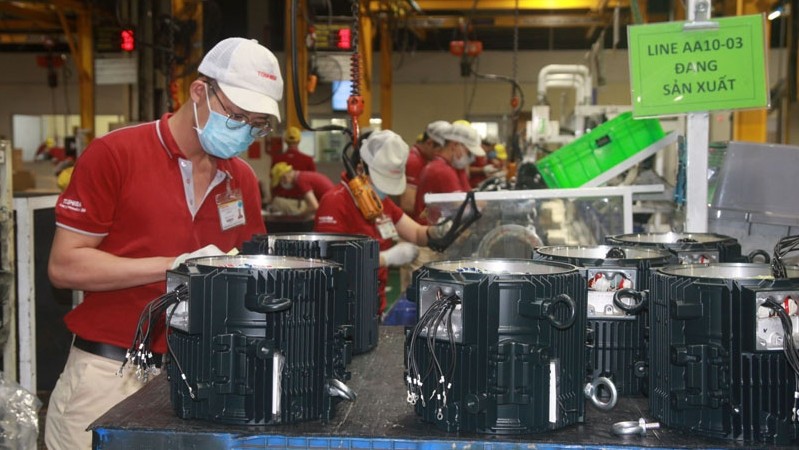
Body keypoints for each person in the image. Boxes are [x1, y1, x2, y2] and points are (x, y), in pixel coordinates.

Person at [44, 37, 280, 450]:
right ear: (199, 92)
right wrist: (176, 264)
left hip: (196, 382)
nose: (244, 130)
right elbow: (65, 267)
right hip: (109, 375)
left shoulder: (240, 180)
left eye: (256, 122)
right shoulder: (116, 155)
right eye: (237, 115)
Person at [314, 130, 452, 315]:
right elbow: (330, 261)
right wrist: (386, 258)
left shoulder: (381, 203)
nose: (384, 192)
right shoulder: (335, 202)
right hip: (341, 307)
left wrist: (439, 231)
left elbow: (417, 233)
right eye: (381, 182)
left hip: (373, 303)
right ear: (361, 169)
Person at [413, 122, 485, 224]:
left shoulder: (453, 168)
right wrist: (487, 204)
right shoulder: (441, 170)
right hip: (432, 231)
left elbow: (467, 196)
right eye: (469, 153)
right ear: (455, 145)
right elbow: (462, 209)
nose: (471, 159)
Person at [399, 120, 450, 215]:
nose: (442, 155)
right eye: (440, 150)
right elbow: (408, 204)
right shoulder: (414, 162)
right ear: (429, 143)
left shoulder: (424, 159)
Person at [269, 161, 334, 217]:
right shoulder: (302, 176)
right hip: (330, 203)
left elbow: (314, 206)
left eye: (281, 181)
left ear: (285, 177)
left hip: (330, 206)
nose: (283, 184)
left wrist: (300, 216)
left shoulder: (301, 180)